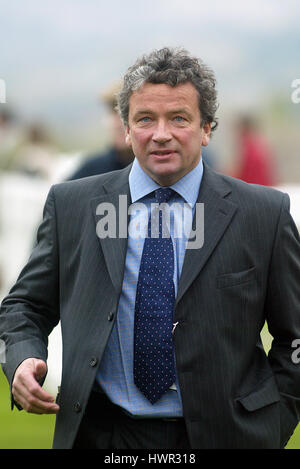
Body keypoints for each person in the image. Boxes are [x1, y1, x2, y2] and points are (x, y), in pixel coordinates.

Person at [0, 47, 300, 450]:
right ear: (126, 129)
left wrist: (270, 425)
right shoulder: (73, 207)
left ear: (206, 128)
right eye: (145, 119)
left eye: (178, 118)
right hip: (102, 435)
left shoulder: (264, 214)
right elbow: (25, 306)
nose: (161, 133)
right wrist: (20, 358)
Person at [68, 82, 134, 180]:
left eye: (125, 114)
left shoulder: (158, 170)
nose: (118, 123)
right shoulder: (91, 171)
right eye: (112, 112)